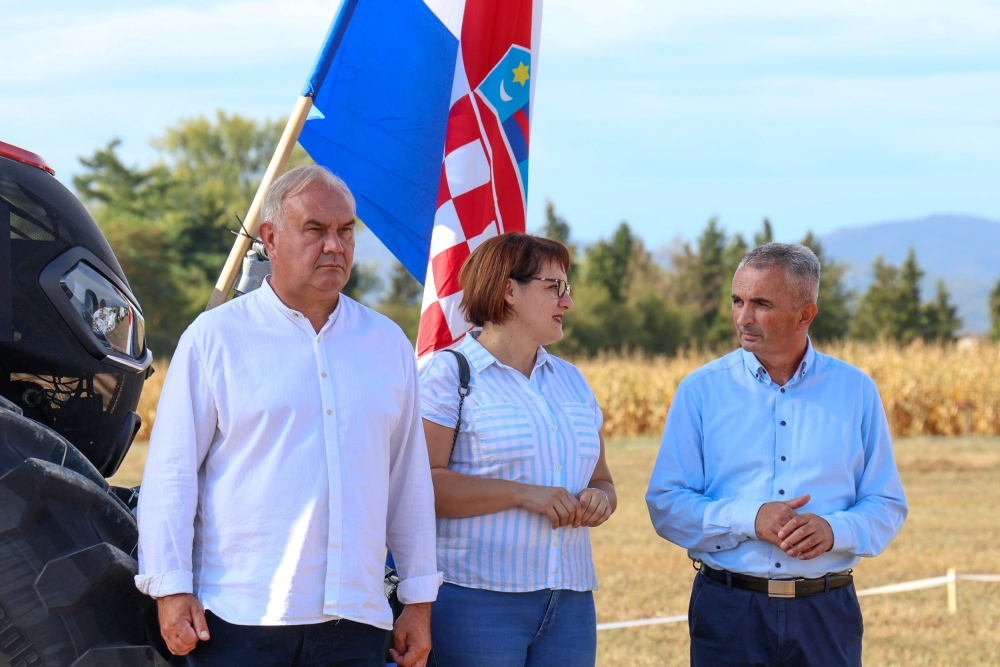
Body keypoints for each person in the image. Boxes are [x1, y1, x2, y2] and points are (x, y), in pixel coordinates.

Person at [135, 165, 441, 667]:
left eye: (346, 231)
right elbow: (171, 475)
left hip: (356, 622)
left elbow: (408, 483)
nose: (335, 246)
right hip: (240, 620)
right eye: (315, 230)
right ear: (271, 239)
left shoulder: (386, 343)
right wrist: (170, 589)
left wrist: (419, 601)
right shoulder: (214, 339)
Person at [646, 242, 907, 667]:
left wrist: (834, 529)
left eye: (761, 304)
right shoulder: (700, 391)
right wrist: (751, 518)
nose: (743, 318)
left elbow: (887, 504)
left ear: (806, 314)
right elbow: (667, 505)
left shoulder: (855, 391)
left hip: (826, 614)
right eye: (737, 301)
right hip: (729, 611)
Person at [419, 233, 617, 667]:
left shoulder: (572, 380)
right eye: (555, 288)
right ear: (509, 290)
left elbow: (602, 479)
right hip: (474, 601)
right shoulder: (446, 376)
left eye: (567, 289)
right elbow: (422, 488)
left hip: (571, 601)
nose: (567, 302)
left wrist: (600, 499)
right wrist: (524, 494)